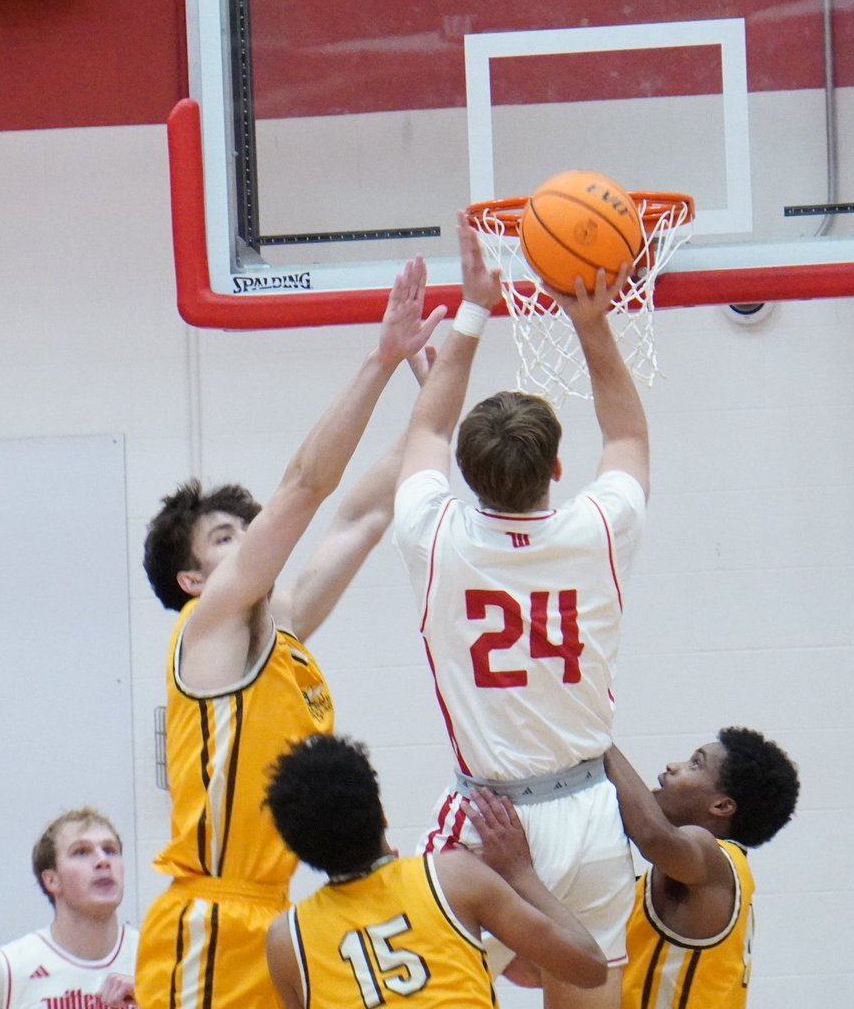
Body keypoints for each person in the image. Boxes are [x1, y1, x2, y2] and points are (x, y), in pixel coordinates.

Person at [134, 258, 445, 1009]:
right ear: (193, 580)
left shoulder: (287, 625)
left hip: (273, 915)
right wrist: (381, 359)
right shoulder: (205, 628)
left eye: (248, 529)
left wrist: (440, 401)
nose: (247, 540)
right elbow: (307, 487)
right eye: (223, 538)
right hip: (206, 914)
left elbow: (367, 515)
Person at [392, 214, 649, 1008]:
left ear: (463, 476)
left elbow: (428, 426)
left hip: (490, 819)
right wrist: (591, 321)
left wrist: (474, 307)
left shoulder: (434, 536)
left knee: (417, 989)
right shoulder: (600, 528)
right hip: (592, 814)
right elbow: (628, 430)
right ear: (559, 468)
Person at [263, 734, 607, 1007]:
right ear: (381, 813)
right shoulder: (453, 878)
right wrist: (520, 874)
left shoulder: (285, 940)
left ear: (298, 851)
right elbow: (590, 967)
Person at [606, 730, 800, 1009]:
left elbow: (652, 836)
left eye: (695, 764)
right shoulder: (702, 872)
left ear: (721, 806)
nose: (673, 766)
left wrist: (596, 736)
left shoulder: (714, 860)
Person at [0, 808, 138, 1009]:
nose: (103, 860)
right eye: (81, 852)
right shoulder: (7, 969)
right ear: (52, 880)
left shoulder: (161, 960)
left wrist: (156, 999)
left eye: (110, 850)